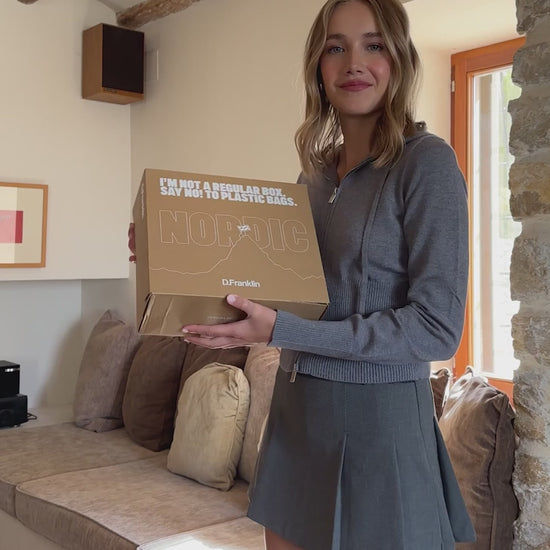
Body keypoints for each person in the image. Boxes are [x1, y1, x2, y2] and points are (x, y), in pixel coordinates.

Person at [136, 0, 476, 548]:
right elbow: (277, 292)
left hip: (381, 426)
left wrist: (281, 331)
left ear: (400, 59)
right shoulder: (311, 177)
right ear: (318, 66)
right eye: (335, 47)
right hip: (296, 416)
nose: (353, 62)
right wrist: (166, 254)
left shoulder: (427, 163)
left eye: (373, 45)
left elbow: (436, 330)